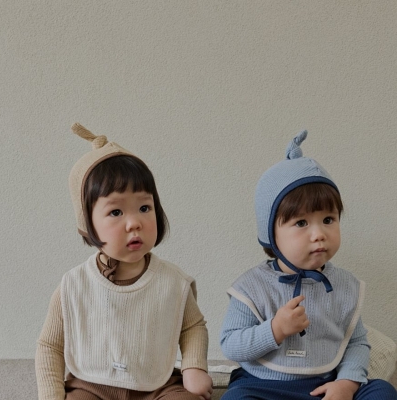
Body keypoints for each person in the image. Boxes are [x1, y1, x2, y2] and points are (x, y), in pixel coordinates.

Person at [36, 123, 213, 400]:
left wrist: (194, 366)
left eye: (144, 207)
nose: (134, 223)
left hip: (156, 385)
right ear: (87, 223)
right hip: (91, 384)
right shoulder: (73, 285)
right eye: (116, 212)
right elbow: (50, 345)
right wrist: (51, 394)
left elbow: (193, 326)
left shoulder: (172, 281)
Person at [220, 131, 397, 400]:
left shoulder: (343, 285)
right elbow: (231, 344)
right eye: (301, 223)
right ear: (270, 233)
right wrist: (274, 330)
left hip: (326, 384)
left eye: (328, 220)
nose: (319, 234)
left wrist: (346, 383)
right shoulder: (252, 287)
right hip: (262, 385)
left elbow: (357, 341)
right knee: (236, 398)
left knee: (382, 391)